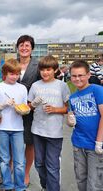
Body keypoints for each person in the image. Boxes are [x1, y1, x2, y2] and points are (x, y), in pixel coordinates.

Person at [28, 55, 70, 191]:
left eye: (48, 70)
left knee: (52, 166)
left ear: (55, 70)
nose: (45, 73)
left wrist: (55, 109)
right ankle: (46, 186)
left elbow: (68, 108)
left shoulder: (62, 86)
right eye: (42, 70)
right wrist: (33, 104)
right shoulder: (35, 85)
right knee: (39, 164)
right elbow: (29, 106)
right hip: (37, 131)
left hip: (54, 133)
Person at [0, 59, 27, 191]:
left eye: (17, 74)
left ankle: (20, 187)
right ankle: (7, 185)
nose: (14, 76)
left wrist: (23, 110)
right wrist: (3, 104)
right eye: (11, 74)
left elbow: (25, 106)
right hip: (1, 128)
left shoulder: (22, 88)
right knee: (4, 160)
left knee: (20, 162)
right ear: (5, 73)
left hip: (18, 128)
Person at [67, 60, 103, 191]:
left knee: (94, 184)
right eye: (74, 76)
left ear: (88, 75)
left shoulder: (98, 90)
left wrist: (99, 141)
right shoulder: (72, 97)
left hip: (95, 145)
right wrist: (70, 121)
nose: (77, 79)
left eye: (80, 75)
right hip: (78, 144)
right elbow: (71, 118)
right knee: (81, 180)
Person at [16, 35, 40, 186]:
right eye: (21, 45)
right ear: (17, 47)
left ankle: (25, 173)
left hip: (32, 109)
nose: (24, 48)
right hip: (13, 109)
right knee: (13, 140)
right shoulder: (12, 63)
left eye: (27, 45)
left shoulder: (38, 65)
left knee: (29, 143)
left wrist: (33, 103)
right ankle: (11, 170)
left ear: (32, 48)